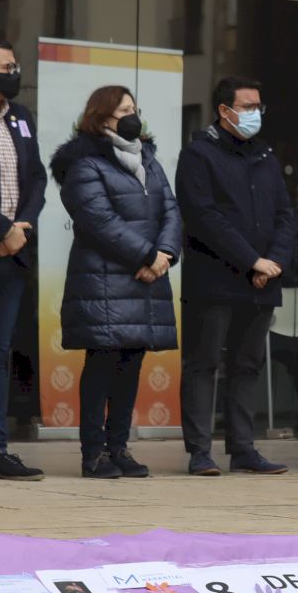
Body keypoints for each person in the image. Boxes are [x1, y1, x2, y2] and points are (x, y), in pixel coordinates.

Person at [50, 86, 182, 479]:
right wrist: (147, 256)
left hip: (146, 278)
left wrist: (165, 254)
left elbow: (171, 209)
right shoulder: (85, 163)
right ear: (102, 115)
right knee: (102, 364)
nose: (132, 116)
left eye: (134, 109)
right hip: (104, 281)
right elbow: (98, 220)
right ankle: (94, 454)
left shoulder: (148, 159)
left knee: (131, 362)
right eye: (124, 110)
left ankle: (119, 447)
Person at [175, 76, 294, 476]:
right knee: (203, 364)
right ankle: (199, 452)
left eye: (258, 106)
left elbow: (284, 215)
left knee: (247, 365)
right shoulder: (199, 154)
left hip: (262, 280)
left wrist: (273, 262)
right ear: (224, 111)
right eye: (247, 107)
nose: (255, 113)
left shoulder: (266, 156)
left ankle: (243, 449)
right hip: (214, 281)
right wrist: (251, 261)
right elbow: (205, 218)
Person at [0, 37, 46, 481]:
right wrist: (1, 229)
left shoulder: (21, 117)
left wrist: (20, 228)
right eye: (7, 67)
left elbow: (37, 178)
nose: (15, 73)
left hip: (13, 253)